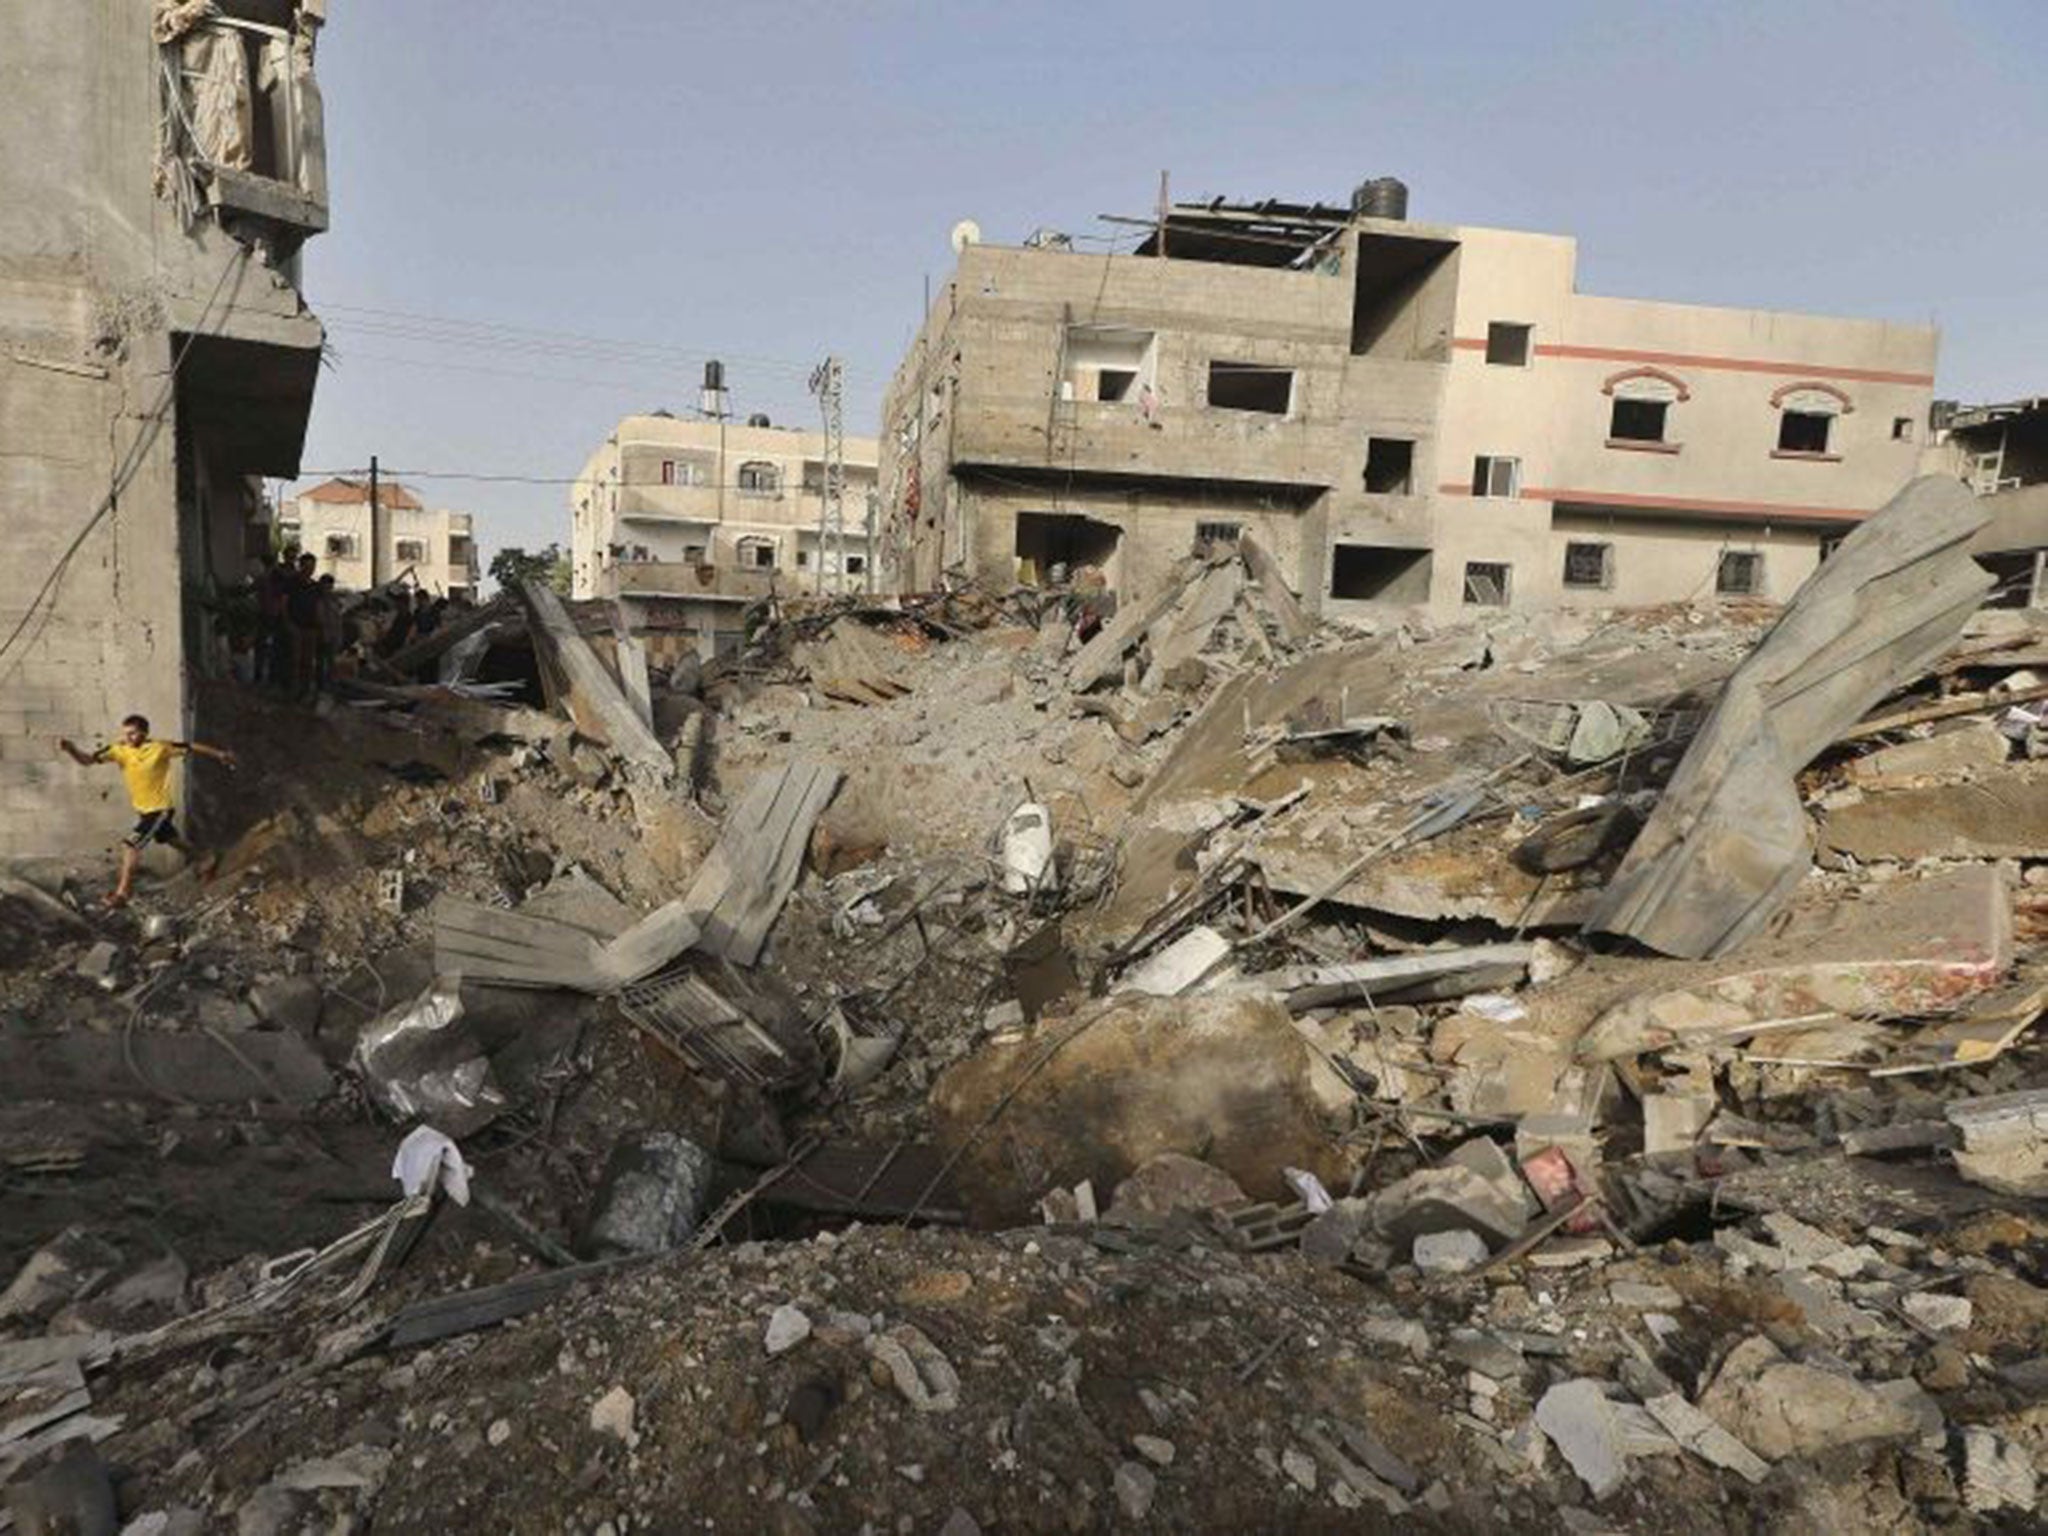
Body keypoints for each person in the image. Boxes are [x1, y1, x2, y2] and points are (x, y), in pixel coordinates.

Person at [58, 716, 236, 907]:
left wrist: (220, 754)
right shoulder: (119, 750)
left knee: (130, 846)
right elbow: (87, 760)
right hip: (144, 810)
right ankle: (206, 859)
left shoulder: (160, 747)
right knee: (170, 839)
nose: (128, 737)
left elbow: (191, 746)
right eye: (125, 733)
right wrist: (71, 749)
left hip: (160, 809)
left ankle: (122, 894)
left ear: (144, 733)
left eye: (132, 733)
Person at [285, 552, 320, 700]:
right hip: (296, 626)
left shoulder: (314, 586)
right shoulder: (292, 583)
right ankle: (293, 691)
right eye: (306, 566)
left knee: (308, 661)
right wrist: (288, 622)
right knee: (295, 661)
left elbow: (317, 606)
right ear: (301, 566)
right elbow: (284, 602)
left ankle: (306, 691)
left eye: (312, 566)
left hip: (311, 627)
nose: (309, 569)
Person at [313, 574, 343, 694]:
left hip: (333, 634)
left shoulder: (334, 600)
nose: (327, 589)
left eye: (329, 586)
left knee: (331, 662)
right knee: (320, 662)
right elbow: (319, 618)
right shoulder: (317, 600)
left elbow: (338, 619)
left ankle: (330, 685)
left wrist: (338, 635)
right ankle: (320, 686)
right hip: (321, 634)